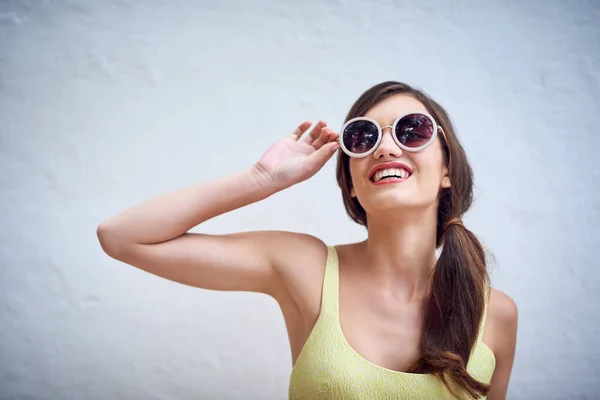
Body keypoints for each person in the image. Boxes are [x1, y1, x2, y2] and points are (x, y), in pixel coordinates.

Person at [97, 81, 518, 399]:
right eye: (363, 137)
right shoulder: (307, 268)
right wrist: (258, 180)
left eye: (411, 130)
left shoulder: (497, 314)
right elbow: (122, 237)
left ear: (446, 169)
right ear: (351, 183)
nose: (386, 147)